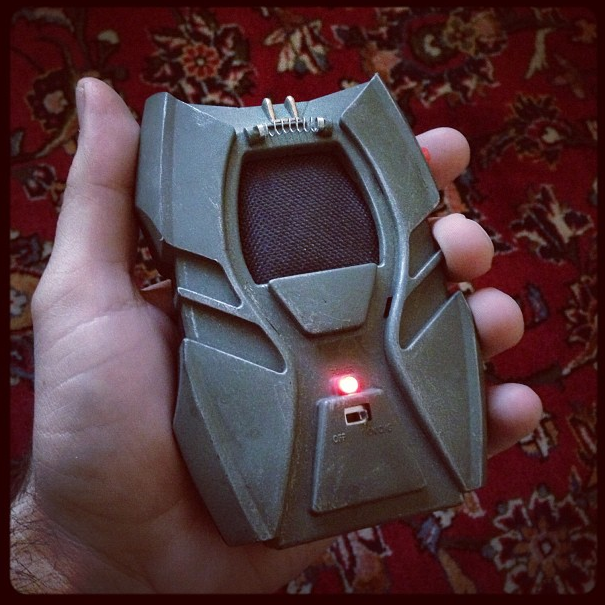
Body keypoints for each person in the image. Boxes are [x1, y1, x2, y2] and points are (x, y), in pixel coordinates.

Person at [10, 77, 543, 594]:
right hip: (241, 491)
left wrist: (75, 555)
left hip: (359, 390)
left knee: (461, 264)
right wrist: (84, 549)